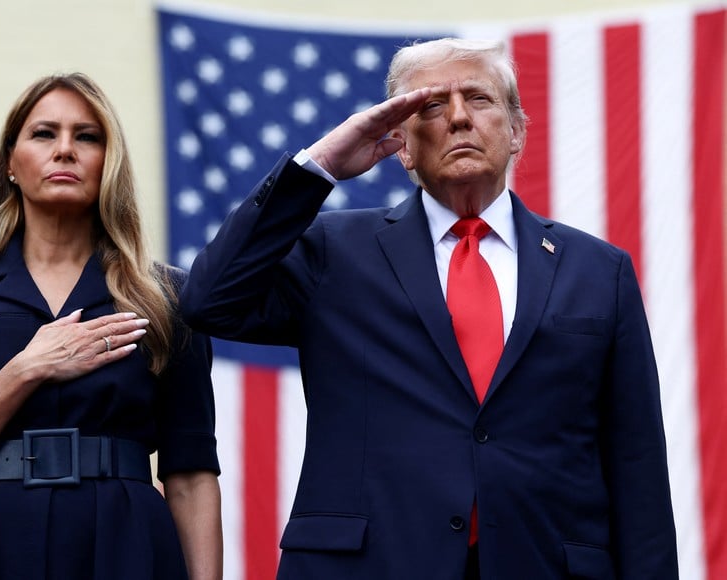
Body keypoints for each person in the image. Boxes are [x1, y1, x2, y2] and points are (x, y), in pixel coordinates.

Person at [179, 38, 678, 579]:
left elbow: (637, 467)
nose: (459, 118)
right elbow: (209, 299)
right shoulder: (333, 252)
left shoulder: (599, 271)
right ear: (403, 148)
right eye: (431, 106)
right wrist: (317, 167)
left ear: (517, 132)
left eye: (479, 99)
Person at [0, 72, 222, 580]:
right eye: (44, 133)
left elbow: (191, 475)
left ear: (108, 163)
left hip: (126, 545)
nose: (65, 150)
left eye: (87, 137)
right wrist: (26, 369)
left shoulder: (165, 297)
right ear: (10, 163)